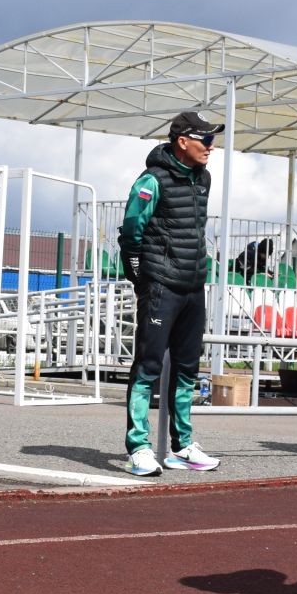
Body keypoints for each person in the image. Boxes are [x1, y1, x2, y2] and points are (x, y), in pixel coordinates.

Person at [118, 110, 222, 476]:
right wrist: (142, 280)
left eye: (212, 139)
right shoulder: (151, 180)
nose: (211, 146)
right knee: (148, 366)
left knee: (188, 368)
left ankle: (182, 446)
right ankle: (138, 447)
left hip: (194, 287)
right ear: (182, 141)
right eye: (206, 139)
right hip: (161, 286)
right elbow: (131, 232)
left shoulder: (203, 178)